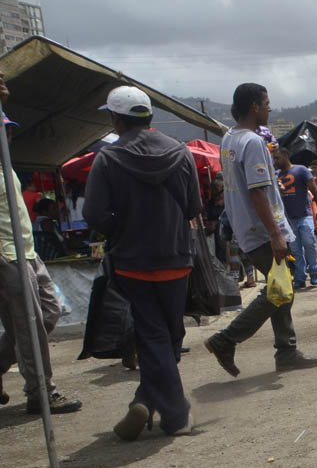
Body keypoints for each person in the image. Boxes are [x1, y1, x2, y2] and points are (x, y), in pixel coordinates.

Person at [85, 85, 202, 439]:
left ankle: (166, 408)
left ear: (115, 119)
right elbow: (194, 207)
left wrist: (120, 229)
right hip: (176, 257)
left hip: (132, 261)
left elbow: (94, 213)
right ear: (149, 116)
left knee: (152, 335)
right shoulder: (181, 153)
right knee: (171, 333)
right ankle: (158, 404)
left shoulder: (107, 158)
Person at [203, 83, 317, 377]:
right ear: (254, 106)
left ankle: (287, 351)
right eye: (267, 103)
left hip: (248, 228)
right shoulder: (252, 143)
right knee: (280, 289)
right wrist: (276, 234)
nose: (270, 108)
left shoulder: (230, 138)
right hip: (261, 230)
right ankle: (226, 339)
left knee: (282, 288)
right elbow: (257, 194)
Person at [0, 105, 81, 413]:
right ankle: (41, 392)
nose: (7, 135)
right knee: (29, 326)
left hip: (28, 252)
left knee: (49, 312)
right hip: (7, 256)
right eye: (2, 129)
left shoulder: (6, 166)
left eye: (8, 129)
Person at [272, 142, 317, 289]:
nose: (276, 162)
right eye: (274, 159)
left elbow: (314, 188)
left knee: (308, 243)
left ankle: (313, 271)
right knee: (295, 250)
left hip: (304, 215)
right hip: (288, 219)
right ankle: (300, 277)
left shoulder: (301, 170)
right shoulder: (276, 175)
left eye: (278, 158)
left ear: (286, 156)